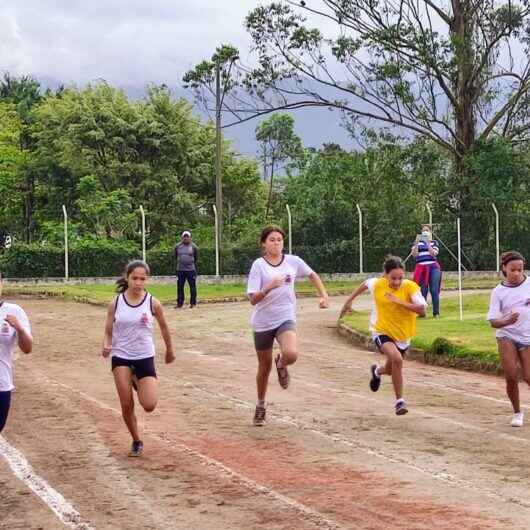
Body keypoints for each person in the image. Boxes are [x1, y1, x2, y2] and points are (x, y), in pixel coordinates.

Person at [246, 226, 329, 426]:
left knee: (291, 353)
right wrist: (268, 287)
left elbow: (312, 275)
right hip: (263, 321)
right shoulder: (259, 266)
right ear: (264, 244)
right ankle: (261, 405)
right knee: (264, 368)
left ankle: (282, 362)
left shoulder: (293, 261)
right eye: (272, 240)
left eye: (279, 240)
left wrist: (323, 295)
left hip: (285, 316)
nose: (276, 243)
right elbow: (252, 299)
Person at [102, 260, 175, 456]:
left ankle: (137, 379)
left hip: (144, 356)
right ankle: (136, 439)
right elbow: (108, 330)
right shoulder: (116, 303)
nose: (138, 282)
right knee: (126, 403)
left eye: (142, 279)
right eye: (134, 278)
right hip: (121, 356)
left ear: (147, 280)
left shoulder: (153, 303)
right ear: (127, 278)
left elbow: (164, 327)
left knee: (149, 405)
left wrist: (169, 350)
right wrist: (106, 344)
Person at [340, 256, 427, 416]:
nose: (396, 282)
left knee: (391, 368)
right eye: (393, 278)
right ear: (385, 274)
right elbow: (365, 284)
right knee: (397, 360)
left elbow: (422, 310)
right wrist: (349, 301)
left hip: (403, 334)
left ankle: (377, 372)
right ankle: (399, 402)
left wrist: (399, 301)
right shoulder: (377, 284)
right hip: (381, 330)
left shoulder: (411, 287)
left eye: (400, 278)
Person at [487, 251, 530, 428]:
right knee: (511, 375)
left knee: (529, 376)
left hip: (527, 336)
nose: (517, 273)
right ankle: (517, 412)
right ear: (504, 268)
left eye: (520, 269)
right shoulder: (498, 292)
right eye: (513, 269)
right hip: (507, 335)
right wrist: (506, 321)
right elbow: (493, 321)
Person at [0, 271, 33, 433]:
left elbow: (27, 348)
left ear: (2, 283)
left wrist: (19, 328)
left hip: (2, 383)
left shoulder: (14, 312)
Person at [412, 224, 442, 317]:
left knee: (434, 290)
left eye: (427, 230)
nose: (425, 232)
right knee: (422, 291)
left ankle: (436, 312)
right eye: (423, 230)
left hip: (433, 267)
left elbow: (434, 254)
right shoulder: (417, 243)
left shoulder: (434, 242)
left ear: (430, 232)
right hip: (421, 268)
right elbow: (414, 255)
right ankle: (422, 312)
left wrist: (428, 243)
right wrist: (416, 243)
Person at [174, 231, 198, 309]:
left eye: (187, 237)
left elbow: (196, 257)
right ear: (182, 237)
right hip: (180, 270)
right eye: (184, 236)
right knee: (180, 287)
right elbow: (175, 256)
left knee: (193, 287)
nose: (186, 238)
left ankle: (193, 303)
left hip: (191, 270)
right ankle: (179, 303)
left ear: (190, 238)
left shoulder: (194, 246)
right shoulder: (177, 246)